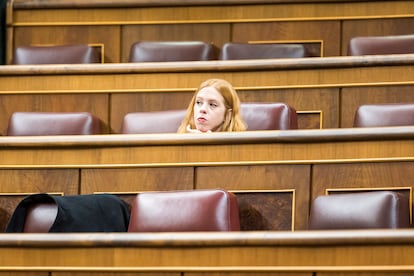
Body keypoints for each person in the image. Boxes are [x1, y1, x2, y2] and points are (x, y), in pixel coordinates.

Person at [177, 78, 247, 133]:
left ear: (228, 114)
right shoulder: (177, 141)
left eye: (212, 105)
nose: (202, 109)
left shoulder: (241, 147)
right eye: (198, 102)